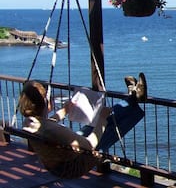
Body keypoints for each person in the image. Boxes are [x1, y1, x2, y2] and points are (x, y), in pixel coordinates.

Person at [18, 72, 147, 178]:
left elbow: (47, 124)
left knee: (92, 127)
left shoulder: (30, 122)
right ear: (45, 103)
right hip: (74, 166)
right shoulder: (53, 130)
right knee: (107, 126)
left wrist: (64, 111)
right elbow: (90, 145)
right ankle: (133, 99)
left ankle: (133, 98)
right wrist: (102, 118)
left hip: (57, 163)